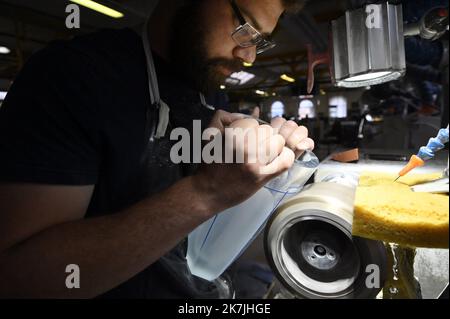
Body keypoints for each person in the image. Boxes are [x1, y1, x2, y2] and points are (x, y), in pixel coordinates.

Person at [0, 0, 313, 298]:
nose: (249, 57)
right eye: (245, 27)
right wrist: (206, 192)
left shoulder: (208, 91)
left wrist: (262, 164)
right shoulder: (72, 75)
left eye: (260, 42)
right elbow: (18, 275)